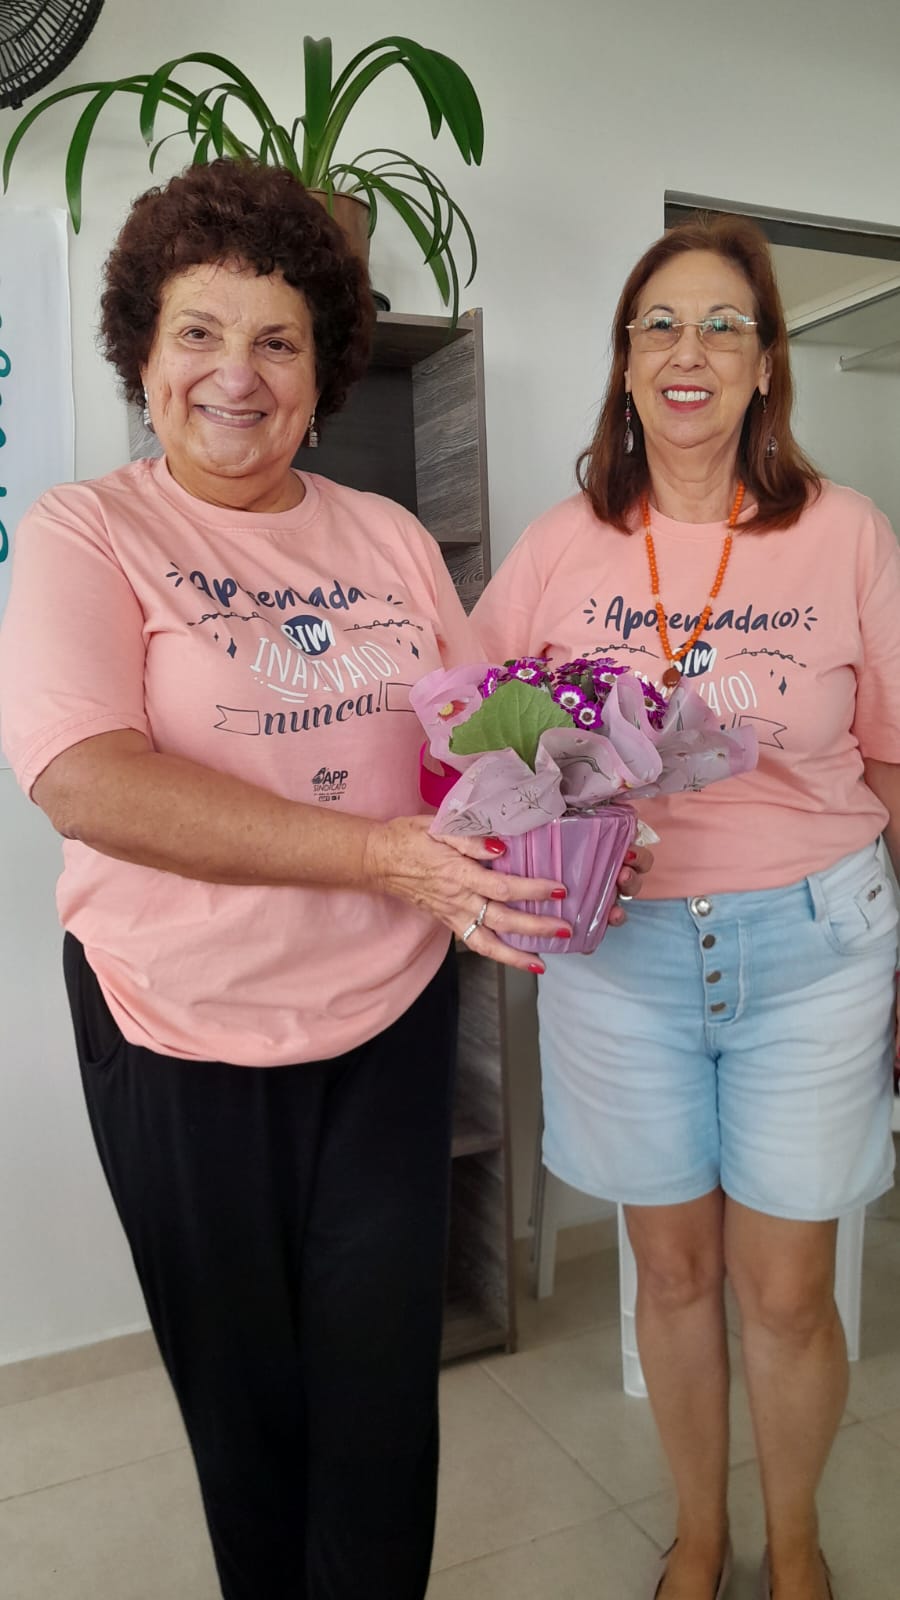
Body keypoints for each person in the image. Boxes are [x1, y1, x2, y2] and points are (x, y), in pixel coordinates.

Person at [0, 158, 648, 1600]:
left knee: (380, 1398)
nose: (236, 374)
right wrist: (374, 854)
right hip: (179, 1028)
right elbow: (85, 778)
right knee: (250, 1410)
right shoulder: (88, 531)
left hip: (386, 1019)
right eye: (198, 331)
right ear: (143, 352)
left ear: (324, 369)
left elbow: (477, 739)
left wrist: (582, 803)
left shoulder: (389, 536)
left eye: (278, 339)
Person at [474, 214, 900, 1600]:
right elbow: (476, 729)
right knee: (670, 1278)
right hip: (621, 955)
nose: (689, 349)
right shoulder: (563, 545)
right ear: (625, 361)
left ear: (768, 364)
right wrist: (539, 818)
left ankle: (797, 1544)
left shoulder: (846, 533)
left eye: (725, 324)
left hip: (816, 944)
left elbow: (892, 755)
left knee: (788, 1289)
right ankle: (701, 1536)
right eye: (659, 323)